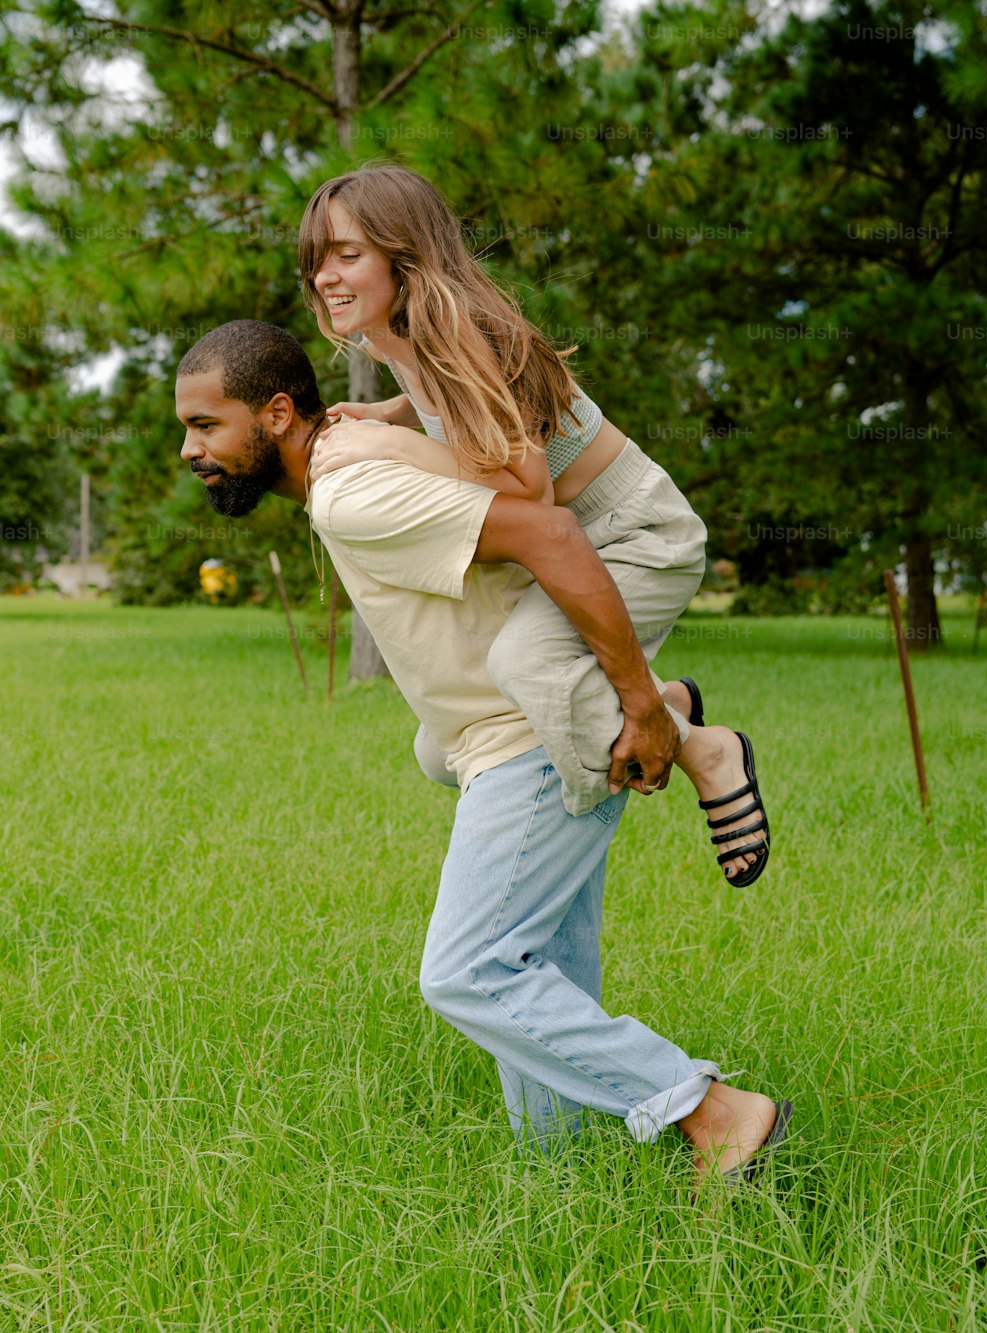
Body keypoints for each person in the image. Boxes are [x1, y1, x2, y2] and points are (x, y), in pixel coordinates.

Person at [174, 319, 792, 1181]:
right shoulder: (351, 455)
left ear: (277, 414)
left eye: (207, 426)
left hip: (526, 744)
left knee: (468, 971)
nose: (188, 449)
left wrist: (643, 705)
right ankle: (561, 1179)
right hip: (509, 738)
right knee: (541, 973)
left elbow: (550, 533)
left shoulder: (352, 486)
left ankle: (717, 1112)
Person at [298, 164, 769, 887]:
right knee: (441, 745)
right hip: (582, 542)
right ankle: (669, 707)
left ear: (406, 253)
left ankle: (700, 750)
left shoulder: (456, 328)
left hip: (638, 533)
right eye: (317, 258)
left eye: (348, 255)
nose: (326, 275)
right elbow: (461, 411)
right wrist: (390, 412)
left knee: (523, 663)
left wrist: (393, 445)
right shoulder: (397, 331)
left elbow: (528, 486)